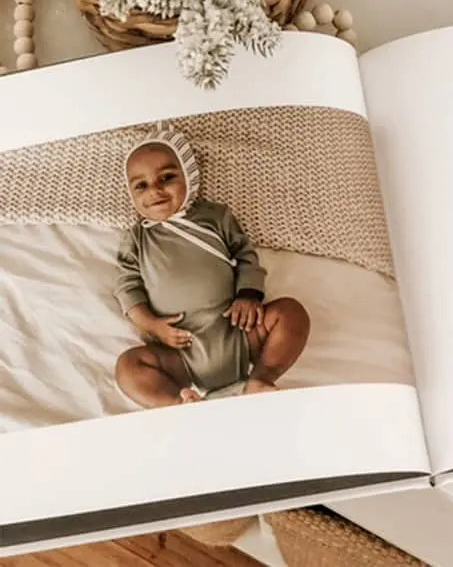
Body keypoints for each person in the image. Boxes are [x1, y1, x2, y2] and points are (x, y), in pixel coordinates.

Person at [113, 128, 310, 408]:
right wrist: (152, 326)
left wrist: (248, 296)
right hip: (180, 350)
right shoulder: (137, 238)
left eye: (166, 178)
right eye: (140, 185)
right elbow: (127, 286)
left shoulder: (214, 217)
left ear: (189, 176)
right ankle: (178, 404)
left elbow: (244, 255)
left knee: (291, 313)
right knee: (128, 367)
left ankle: (261, 378)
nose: (154, 190)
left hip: (237, 332)